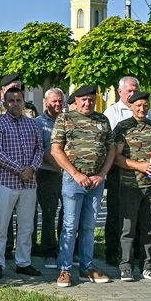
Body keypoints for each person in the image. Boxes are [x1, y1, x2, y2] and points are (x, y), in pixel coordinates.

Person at [51, 84, 116, 288]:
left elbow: (111, 149)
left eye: (91, 99)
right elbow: (56, 150)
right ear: (76, 101)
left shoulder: (102, 120)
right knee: (70, 226)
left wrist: (102, 174)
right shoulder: (65, 118)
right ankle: (65, 269)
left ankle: (87, 267)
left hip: (95, 182)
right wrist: (76, 174)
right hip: (73, 180)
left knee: (89, 227)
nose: (87, 103)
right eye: (83, 100)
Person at [0, 87, 44, 279]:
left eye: (18, 100)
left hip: (29, 183)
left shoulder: (32, 124)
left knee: (27, 226)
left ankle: (23, 262)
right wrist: (20, 169)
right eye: (11, 100)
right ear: (5, 103)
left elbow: (40, 149)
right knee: (1, 225)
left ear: (23, 102)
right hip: (6, 183)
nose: (15, 104)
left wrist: (32, 168)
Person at [112, 91, 151, 281]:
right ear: (131, 107)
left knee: (149, 228)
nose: (142, 109)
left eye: (145, 105)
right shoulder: (123, 127)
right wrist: (139, 166)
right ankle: (126, 266)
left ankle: (148, 265)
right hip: (130, 185)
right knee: (128, 228)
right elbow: (116, 157)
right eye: (138, 106)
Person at [103, 75, 139, 266]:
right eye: (129, 91)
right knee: (116, 211)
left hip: (138, 171)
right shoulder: (112, 112)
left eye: (135, 90)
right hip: (117, 169)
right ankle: (112, 251)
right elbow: (108, 143)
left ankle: (134, 250)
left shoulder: (142, 109)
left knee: (136, 212)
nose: (132, 94)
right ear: (119, 92)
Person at [35, 88, 65, 269]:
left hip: (67, 173)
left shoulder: (68, 120)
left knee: (68, 211)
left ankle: (65, 247)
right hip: (47, 173)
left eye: (60, 101)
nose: (57, 104)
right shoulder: (38, 123)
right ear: (46, 103)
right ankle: (49, 250)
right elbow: (41, 150)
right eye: (54, 101)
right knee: (49, 212)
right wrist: (59, 166)